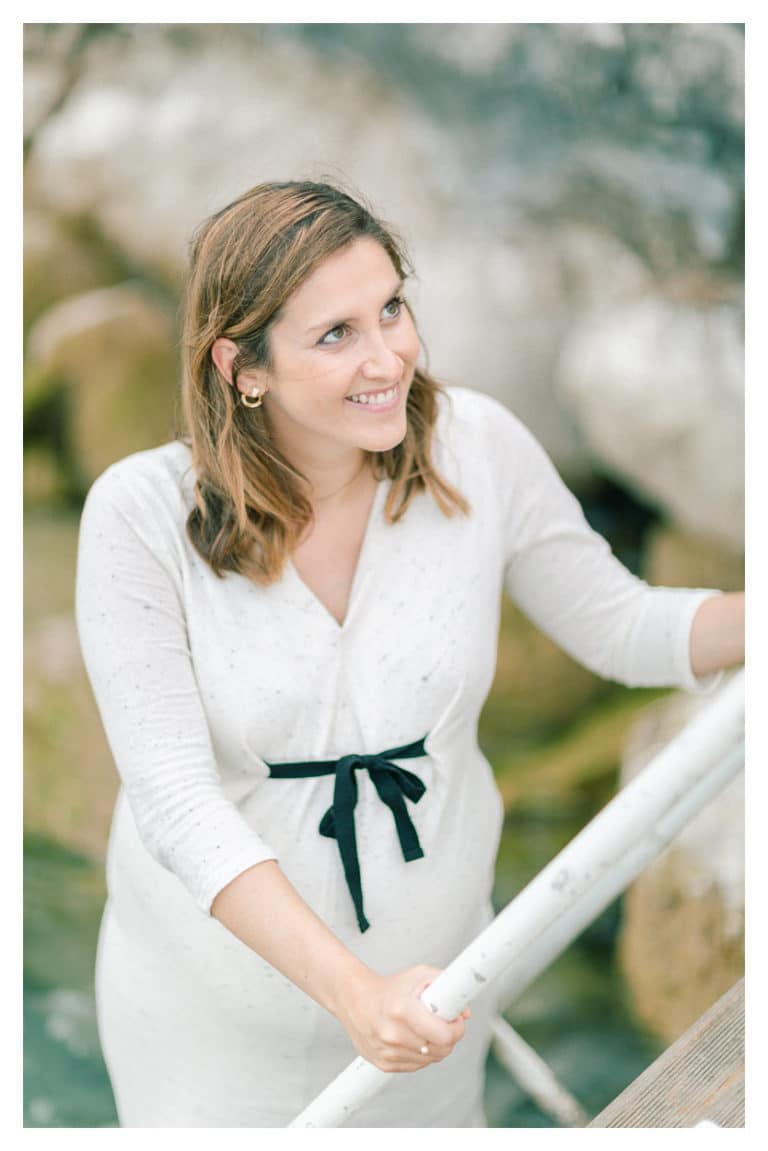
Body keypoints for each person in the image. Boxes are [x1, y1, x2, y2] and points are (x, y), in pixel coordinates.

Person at [75, 180, 745, 1128]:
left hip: (437, 994)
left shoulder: (480, 448)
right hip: (212, 1023)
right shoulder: (136, 517)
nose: (389, 355)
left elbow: (625, 626)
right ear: (242, 366)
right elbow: (178, 806)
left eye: (392, 306)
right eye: (336, 333)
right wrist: (356, 995)